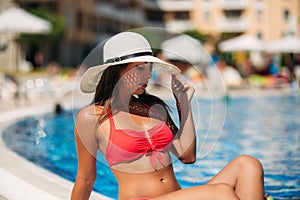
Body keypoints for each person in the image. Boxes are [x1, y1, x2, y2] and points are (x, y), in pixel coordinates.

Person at [71, 32, 265, 200]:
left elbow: (187, 156)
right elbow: (86, 178)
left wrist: (183, 104)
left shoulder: (154, 108)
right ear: (117, 71)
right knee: (222, 193)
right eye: (140, 67)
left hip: (176, 195)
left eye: (149, 66)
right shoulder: (92, 117)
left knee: (248, 165)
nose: (148, 74)